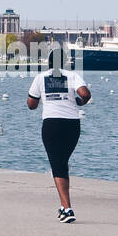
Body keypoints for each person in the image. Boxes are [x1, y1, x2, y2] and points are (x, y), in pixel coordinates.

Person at [26, 49, 91, 223]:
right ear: (64, 62)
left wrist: (41, 99)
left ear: (48, 62)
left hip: (52, 124)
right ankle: (63, 207)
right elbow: (85, 94)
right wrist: (79, 101)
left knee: (58, 165)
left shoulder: (40, 78)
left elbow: (31, 104)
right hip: (72, 125)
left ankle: (68, 209)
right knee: (62, 163)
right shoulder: (72, 76)